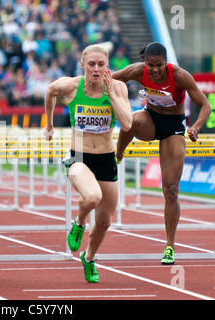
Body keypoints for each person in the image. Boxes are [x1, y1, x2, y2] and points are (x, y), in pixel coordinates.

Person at [112, 42, 212, 265]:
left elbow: (205, 106)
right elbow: (109, 79)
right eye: (151, 65)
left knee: (171, 190)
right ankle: (117, 156)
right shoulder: (137, 71)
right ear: (145, 63)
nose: (155, 70)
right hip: (151, 120)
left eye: (159, 65)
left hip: (174, 127)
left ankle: (169, 246)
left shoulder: (179, 75)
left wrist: (195, 127)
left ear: (165, 63)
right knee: (133, 119)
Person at [43, 44, 132, 283]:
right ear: (83, 65)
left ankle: (89, 258)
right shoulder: (71, 87)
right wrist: (49, 124)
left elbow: (126, 124)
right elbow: (50, 91)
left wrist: (111, 94)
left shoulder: (118, 88)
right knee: (92, 197)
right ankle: (79, 222)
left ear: (107, 67)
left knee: (105, 221)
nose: (96, 69)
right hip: (79, 156)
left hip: (106, 158)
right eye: (91, 64)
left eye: (101, 65)